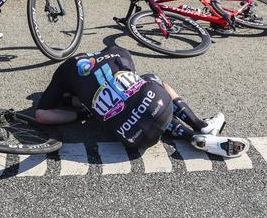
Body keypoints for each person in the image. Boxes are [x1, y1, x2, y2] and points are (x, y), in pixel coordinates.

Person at [35, 45, 250, 157]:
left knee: (132, 113)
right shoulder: (117, 54)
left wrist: (83, 112)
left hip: (131, 139)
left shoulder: (63, 72)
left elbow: (41, 116)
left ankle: (191, 136)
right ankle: (200, 125)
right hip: (157, 106)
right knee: (150, 82)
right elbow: (135, 95)